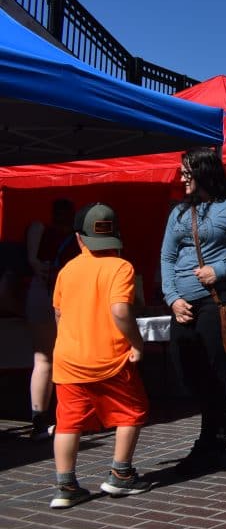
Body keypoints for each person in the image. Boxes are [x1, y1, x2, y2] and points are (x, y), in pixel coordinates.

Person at [160, 148, 226, 474]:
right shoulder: (178, 213)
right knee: (183, 368)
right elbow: (167, 258)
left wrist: (219, 270)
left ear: (203, 172)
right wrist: (172, 298)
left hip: (220, 300)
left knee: (214, 371)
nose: (181, 178)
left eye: (186, 173)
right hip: (183, 304)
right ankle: (223, 419)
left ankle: (209, 443)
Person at [49, 203, 151, 508]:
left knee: (68, 423)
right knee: (132, 411)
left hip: (68, 360)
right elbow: (120, 311)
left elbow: (58, 312)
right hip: (111, 359)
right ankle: (121, 476)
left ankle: (65, 487)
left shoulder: (67, 270)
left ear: (80, 239)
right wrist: (138, 343)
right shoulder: (121, 267)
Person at [25, 199, 79, 441]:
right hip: (64, 297)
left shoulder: (39, 230)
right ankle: (66, 418)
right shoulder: (78, 240)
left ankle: (39, 420)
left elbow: (33, 262)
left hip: (39, 294)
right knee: (65, 358)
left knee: (43, 358)